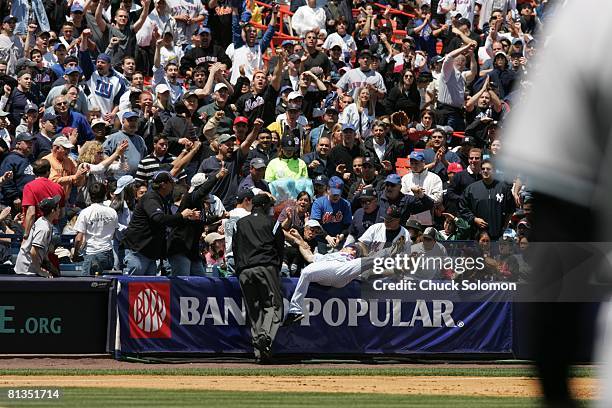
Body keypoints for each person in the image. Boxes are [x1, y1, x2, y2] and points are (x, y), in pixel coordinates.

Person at [232, 194, 284, 364]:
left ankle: (261, 354)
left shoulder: (239, 224)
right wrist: (275, 267)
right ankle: (265, 337)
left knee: (255, 311)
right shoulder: (272, 222)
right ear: (264, 206)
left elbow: (235, 247)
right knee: (274, 306)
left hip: (244, 270)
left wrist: (240, 269)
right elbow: (279, 246)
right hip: (266, 266)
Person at [122, 171, 200, 275]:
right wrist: (182, 215)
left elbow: (169, 221)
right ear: (163, 185)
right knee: (132, 287)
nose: (173, 186)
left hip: (150, 253)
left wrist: (186, 218)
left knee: (149, 289)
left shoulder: (162, 200)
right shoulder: (150, 198)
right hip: (138, 251)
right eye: (171, 183)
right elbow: (158, 218)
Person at [459, 159, 515, 240]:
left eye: (488, 169)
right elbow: (462, 207)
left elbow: (511, 209)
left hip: (497, 234)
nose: (485, 171)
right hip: (477, 235)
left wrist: (504, 227)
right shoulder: (471, 189)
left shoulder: (503, 188)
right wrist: (474, 219)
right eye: (483, 169)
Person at [73, 183, 118, 275]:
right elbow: (114, 233)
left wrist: (75, 254)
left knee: (87, 285)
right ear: (105, 194)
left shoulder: (85, 213)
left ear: (89, 195)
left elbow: (78, 238)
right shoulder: (112, 212)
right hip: (108, 253)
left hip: (92, 254)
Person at [14, 195, 61, 278]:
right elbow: (33, 251)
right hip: (27, 271)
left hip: (30, 268)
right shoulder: (44, 228)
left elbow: (42, 250)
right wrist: (39, 270)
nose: (59, 210)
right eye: (58, 208)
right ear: (53, 211)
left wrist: (49, 265)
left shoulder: (45, 222)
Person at [401, 150, 443, 226]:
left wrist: (422, 195)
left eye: (416, 163)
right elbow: (402, 197)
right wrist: (414, 194)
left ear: (423, 162)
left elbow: (438, 198)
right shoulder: (405, 178)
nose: (414, 166)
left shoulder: (434, 178)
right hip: (409, 219)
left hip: (428, 218)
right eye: (412, 163)